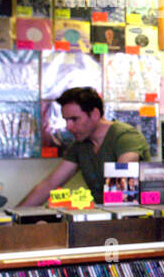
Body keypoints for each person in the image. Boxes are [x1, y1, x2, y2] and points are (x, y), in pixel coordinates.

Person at [20, 87, 149, 206]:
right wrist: (13, 217)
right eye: (66, 120)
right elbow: (49, 184)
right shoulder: (80, 144)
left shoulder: (126, 137)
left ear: (95, 114)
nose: (68, 126)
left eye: (74, 119)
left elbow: (121, 184)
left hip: (134, 220)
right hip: (106, 220)